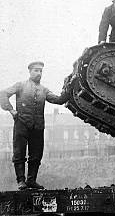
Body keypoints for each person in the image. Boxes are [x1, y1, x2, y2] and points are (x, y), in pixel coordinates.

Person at [0, 62, 69, 190]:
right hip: (22, 123)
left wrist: (68, 90)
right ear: (30, 71)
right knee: (19, 152)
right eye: (36, 70)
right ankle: (21, 181)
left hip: (38, 126)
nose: (39, 73)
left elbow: (58, 100)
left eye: (41, 71)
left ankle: (31, 180)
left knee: (36, 154)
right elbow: (3, 94)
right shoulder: (20, 85)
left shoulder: (44, 90)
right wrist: (11, 109)